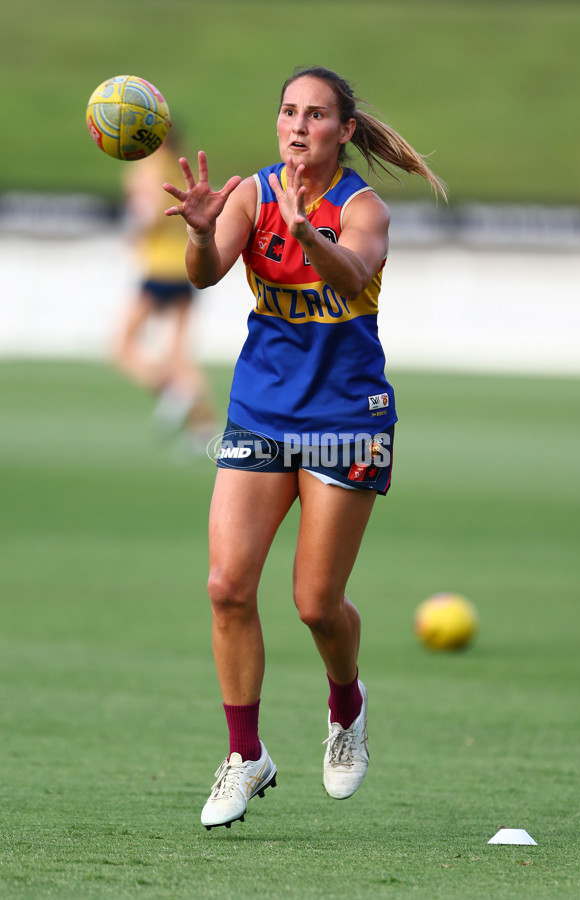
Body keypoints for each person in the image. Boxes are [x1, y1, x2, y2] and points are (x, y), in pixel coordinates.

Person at [163, 66, 445, 830]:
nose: (297, 126)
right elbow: (206, 274)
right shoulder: (252, 193)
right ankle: (245, 754)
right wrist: (196, 231)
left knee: (317, 605)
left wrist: (302, 230)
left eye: (316, 115)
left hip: (349, 414)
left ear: (344, 131)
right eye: (288, 111)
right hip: (262, 409)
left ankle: (346, 706)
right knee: (226, 585)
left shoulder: (364, 208)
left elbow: (352, 277)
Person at [113, 130, 216, 448]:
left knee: (122, 345)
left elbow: (147, 213)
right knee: (179, 352)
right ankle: (203, 428)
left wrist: (131, 233)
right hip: (186, 267)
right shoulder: (179, 168)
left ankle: (173, 391)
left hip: (158, 268)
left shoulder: (148, 168)